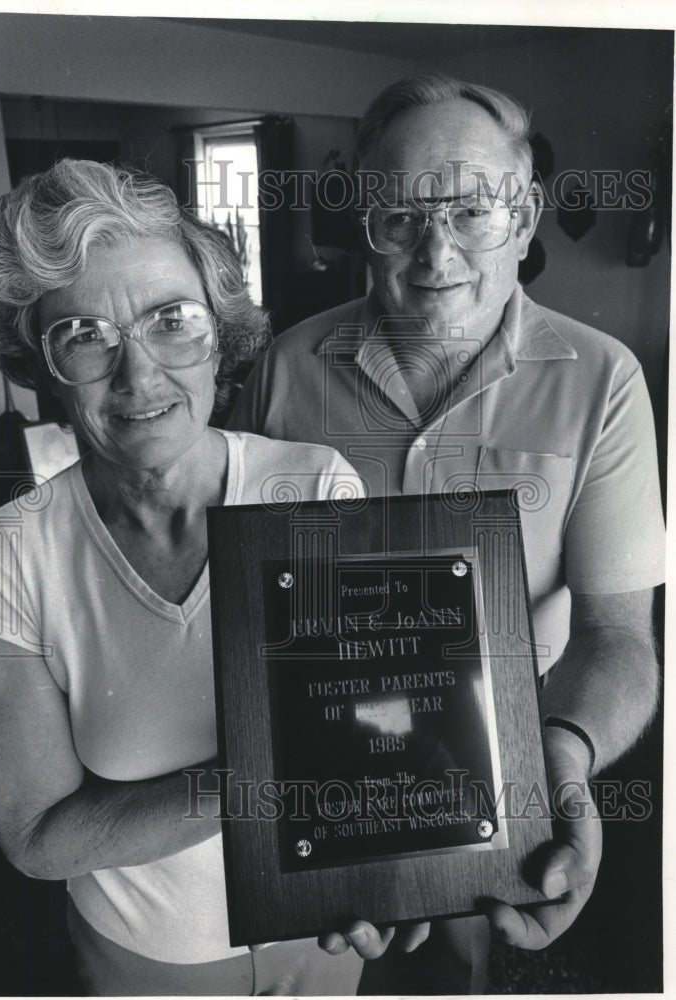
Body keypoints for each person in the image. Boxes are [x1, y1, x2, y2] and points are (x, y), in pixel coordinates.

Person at [229, 74, 664, 987]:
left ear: (527, 215)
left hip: (503, 778)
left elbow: (618, 636)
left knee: (466, 969)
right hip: (319, 773)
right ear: (363, 225)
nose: (435, 255)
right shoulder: (284, 368)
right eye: (399, 219)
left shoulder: (604, 380)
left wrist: (567, 755)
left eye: (472, 212)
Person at [0, 158, 399, 995]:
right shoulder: (12, 549)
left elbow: (374, 723)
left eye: (171, 319)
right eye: (83, 336)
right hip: (147, 962)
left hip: (319, 932)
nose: (138, 375)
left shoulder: (308, 487)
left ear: (220, 335)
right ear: (41, 368)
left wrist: (376, 866)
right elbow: (37, 838)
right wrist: (269, 779)